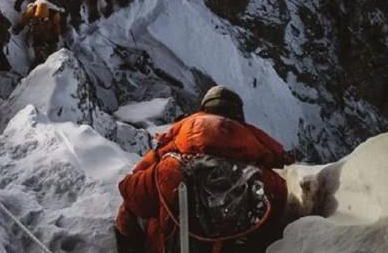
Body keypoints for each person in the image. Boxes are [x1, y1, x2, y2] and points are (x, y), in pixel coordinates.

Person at [115, 86, 295, 253]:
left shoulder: (169, 168)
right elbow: (273, 224)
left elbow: (130, 193)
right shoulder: (268, 181)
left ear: (201, 113)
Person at [12, 0, 64, 69]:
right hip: (48, 27)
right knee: (50, 43)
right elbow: (56, 25)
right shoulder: (55, 12)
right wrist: (55, 37)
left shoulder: (34, 6)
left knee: (38, 41)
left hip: (36, 25)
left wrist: (19, 27)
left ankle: (39, 56)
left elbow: (26, 18)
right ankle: (50, 57)